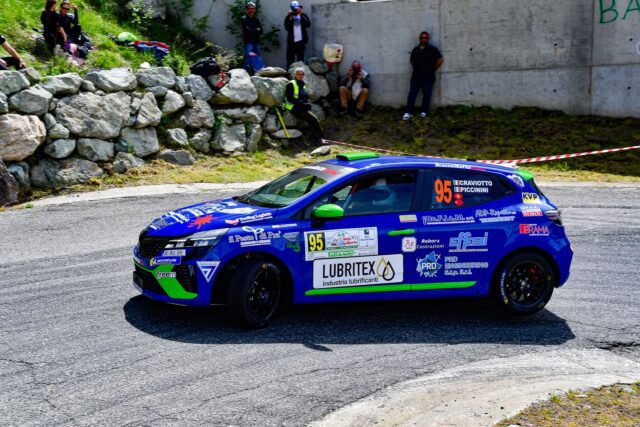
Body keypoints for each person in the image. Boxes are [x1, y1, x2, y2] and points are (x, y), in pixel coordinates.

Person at [402, 31, 443, 121]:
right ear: (419, 38)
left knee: (427, 95)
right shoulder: (415, 49)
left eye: (425, 38)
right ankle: (408, 112)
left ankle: (424, 111)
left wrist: (433, 69)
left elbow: (440, 60)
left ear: (428, 39)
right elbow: (412, 61)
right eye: (422, 37)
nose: (423, 39)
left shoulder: (432, 49)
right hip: (416, 77)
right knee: (412, 94)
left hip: (428, 77)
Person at [283, 67, 324, 146]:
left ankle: (319, 138)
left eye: (302, 74)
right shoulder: (291, 84)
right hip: (293, 107)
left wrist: (307, 103)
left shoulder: (302, 84)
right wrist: (302, 103)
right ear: (295, 75)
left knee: (311, 120)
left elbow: (304, 96)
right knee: (313, 119)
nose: (300, 75)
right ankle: (320, 137)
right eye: (298, 74)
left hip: (300, 107)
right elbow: (290, 98)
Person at [284, 1, 311, 69]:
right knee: (290, 61)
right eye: (295, 9)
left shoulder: (303, 15)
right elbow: (287, 28)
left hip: (300, 42)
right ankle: (289, 76)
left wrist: (301, 15)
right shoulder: (289, 17)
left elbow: (308, 24)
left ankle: (301, 75)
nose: (296, 10)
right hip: (291, 43)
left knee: (300, 60)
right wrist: (290, 17)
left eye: (297, 8)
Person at [241, 2, 263, 74]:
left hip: (256, 42)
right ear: (247, 9)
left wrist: (253, 29)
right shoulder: (244, 19)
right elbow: (248, 31)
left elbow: (261, 30)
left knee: (257, 58)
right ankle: (244, 74)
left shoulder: (256, 19)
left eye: (253, 9)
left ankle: (258, 73)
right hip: (248, 42)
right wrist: (256, 29)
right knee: (247, 58)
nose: (251, 10)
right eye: (250, 9)